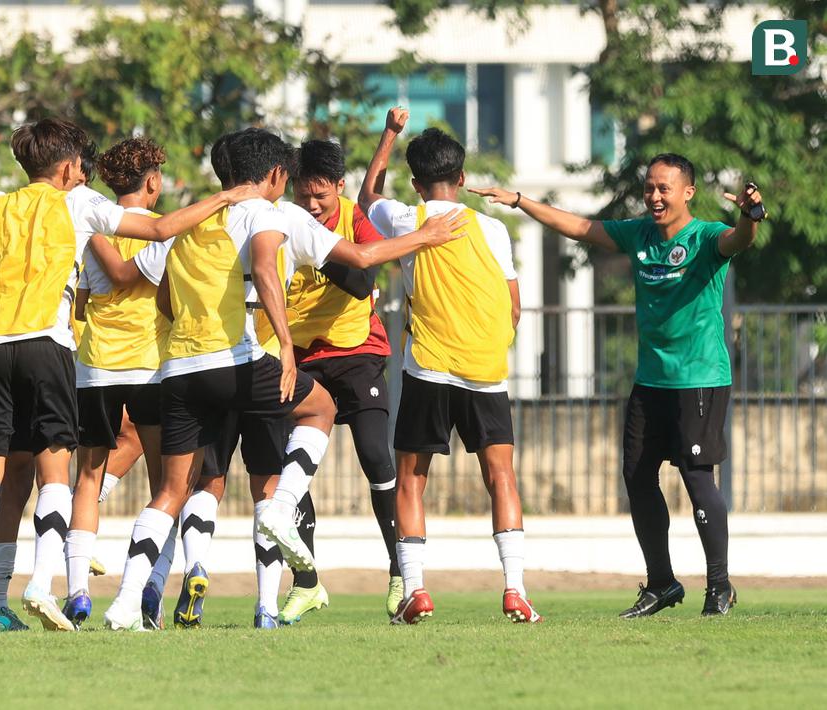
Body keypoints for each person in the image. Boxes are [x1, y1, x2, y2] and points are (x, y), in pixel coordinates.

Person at [102, 128, 467, 631]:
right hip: (245, 361)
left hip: (180, 369)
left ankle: (125, 602)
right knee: (314, 417)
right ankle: (272, 572)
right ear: (276, 176)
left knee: (172, 490)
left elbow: (162, 299)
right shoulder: (278, 215)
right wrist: (425, 237)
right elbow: (358, 260)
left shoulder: (191, 217)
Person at [0, 118, 259, 631]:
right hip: (47, 345)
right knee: (57, 472)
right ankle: (41, 583)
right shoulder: (80, 204)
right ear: (71, 166)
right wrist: (224, 198)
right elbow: (161, 229)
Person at [470, 154, 763, 618]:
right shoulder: (639, 234)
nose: (654, 196)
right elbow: (581, 227)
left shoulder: (705, 236)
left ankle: (720, 586)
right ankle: (663, 584)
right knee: (636, 477)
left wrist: (750, 217)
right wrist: (521, 201)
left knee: (695, 477)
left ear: (687, 192)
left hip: (700, 379)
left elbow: (737, 240)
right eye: (649, 187)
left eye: (664, 188)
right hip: (650, 382)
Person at [360, 107, 539, 625]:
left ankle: (415, 590)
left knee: (412, 481)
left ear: (416, 184)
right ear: (461, 178)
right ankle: (515, 589)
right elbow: (514, 303)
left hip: (430, 369)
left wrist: (389, 135)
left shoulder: (406, 218)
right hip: (486, 369)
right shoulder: (492, 230)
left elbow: (366, 197)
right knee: (501, 476)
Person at [278, 138, 403, 623]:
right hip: (302, 359)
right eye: (303, 197)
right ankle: (306, 582)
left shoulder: (353, 218)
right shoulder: (283, 222)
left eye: (320, 197)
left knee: (376, 456)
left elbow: (364, 281)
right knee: (295, 471)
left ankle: (401, 573)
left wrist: (318, 250)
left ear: (338, 188)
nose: (311, 206)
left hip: (357, 353)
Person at [64, 137, 177, 628]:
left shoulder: (93, 223)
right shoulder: (161, 233)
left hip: (96, 365)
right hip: (149, 366)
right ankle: (148, 589)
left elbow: (83, 302)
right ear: (152, 180)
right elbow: (150, 290)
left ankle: (76, 593)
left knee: (87, 479)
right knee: (163, 484)